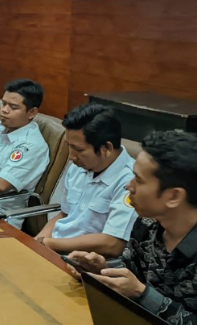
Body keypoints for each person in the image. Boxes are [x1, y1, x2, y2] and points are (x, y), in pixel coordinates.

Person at [68, 130, 197, 324]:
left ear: (173, 196)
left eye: (139, 180)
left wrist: (142, 294)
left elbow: (138, 290)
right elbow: (131, 271)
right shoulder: (146, 224)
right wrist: (102, 270)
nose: (129, 186)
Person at [35, 104, 136, 257]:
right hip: (54, 248)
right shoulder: (79, 166)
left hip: (85, 260)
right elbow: (64, 215)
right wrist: (36, 243)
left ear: (107, 148)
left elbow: (113, 244)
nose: (71, 157)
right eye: (69, 146)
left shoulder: (130, 181)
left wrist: (48, 244)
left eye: (79, 150)